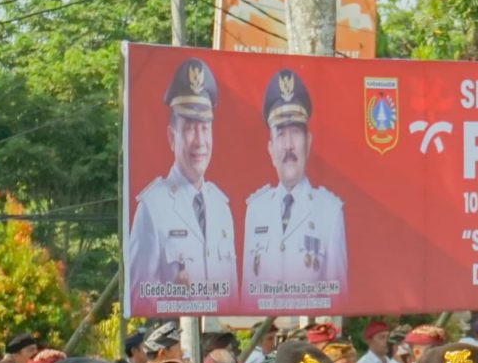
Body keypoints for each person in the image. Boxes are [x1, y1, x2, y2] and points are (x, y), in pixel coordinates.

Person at [127, 58, 237, 308]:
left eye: (205, 128)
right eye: (189, 128)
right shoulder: (153, 207)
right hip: (178, 336)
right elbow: (138, 299)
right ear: (171, 136)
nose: (199, 141)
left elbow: (232, 298)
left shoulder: (221, 206)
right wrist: (172, 299)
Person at [241, 69, 349, 307]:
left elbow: (338, 297)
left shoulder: (329, 211)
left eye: (296, 133)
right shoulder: (255, 210)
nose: (289, 145)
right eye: (281, 134)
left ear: (308, 143)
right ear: (270, 148)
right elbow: (248, 295)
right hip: (265, 335)